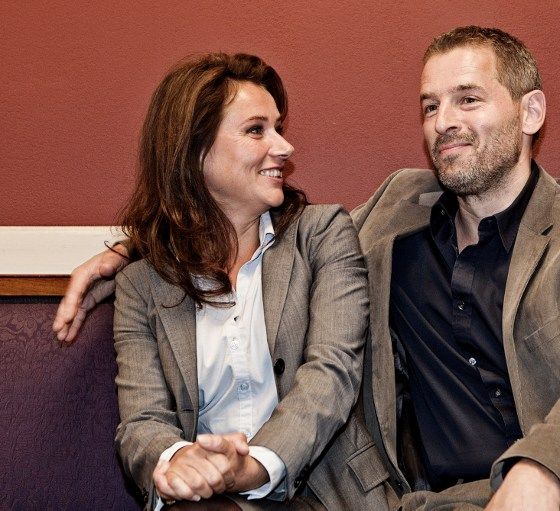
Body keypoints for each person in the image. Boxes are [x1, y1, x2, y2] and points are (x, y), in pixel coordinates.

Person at [54, 28, 560, 510]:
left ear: (530, 114)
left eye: (468, 99)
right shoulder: (392, 214)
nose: (445, 124)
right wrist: (131, 251)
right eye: (430, 106)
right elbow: (251, 230)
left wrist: (542, 472)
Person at [93, 53, 392, 510]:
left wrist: (252, 467)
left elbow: (332, 374)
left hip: (330, 496)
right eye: (257, 130)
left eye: (279, 128)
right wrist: (180, 461)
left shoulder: (322, 236)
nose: (285, 147)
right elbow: (143, 422)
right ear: (194, 152)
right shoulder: (142, 285)